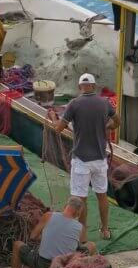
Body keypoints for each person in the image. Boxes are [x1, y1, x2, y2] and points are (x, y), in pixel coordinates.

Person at [48, 73, 121, 239]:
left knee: (81, 199)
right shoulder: (105, 102)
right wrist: (106, 126)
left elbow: (58, 128)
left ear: (80, 87)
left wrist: (53, 117)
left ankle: (83, 236)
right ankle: (105, 230)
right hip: (100, 160)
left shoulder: (74, 104)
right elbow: (117, 121)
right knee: (102, 196)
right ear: (94, 86)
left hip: (81, 160)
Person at [4, 197, 96, 268]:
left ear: (65, 206)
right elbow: (79, 245)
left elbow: (33, 236)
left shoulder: (48, 216)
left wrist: (48, 236)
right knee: (91, 245)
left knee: (17, 245)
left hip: (43, 267)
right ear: (78, 213)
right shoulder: (80, 227)